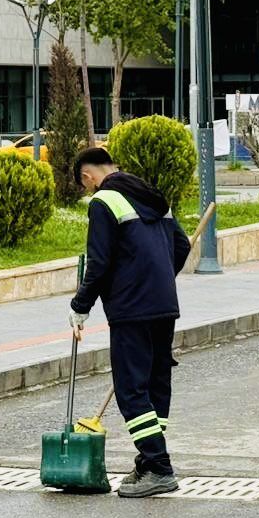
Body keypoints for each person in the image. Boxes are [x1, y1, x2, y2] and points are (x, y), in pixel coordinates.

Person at [69, 147, 192, 498]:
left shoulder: (103, 202)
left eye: (84, 183)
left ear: (88, 176)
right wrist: (159, 278)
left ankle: (159, 466)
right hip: (164, 305)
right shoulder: (152, 197)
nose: (87, 189)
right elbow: (180, 245)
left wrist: (80, 306)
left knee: (131, 389)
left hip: (131, 308)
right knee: (155, 383)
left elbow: (100, 262)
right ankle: (149, 459)